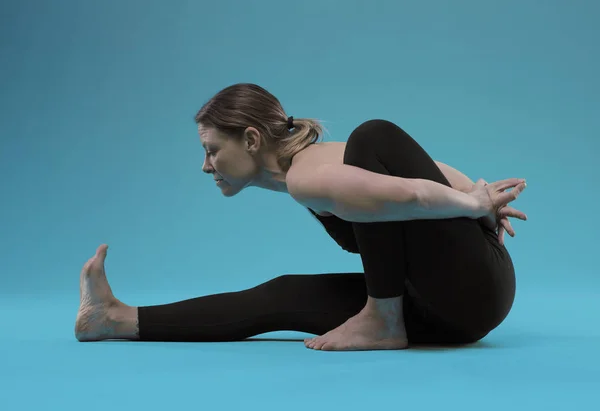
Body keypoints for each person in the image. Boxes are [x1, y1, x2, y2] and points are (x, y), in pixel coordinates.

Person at [74, 83, 528, 351]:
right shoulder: (310, 171)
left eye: (212, 151)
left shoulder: (308, 175)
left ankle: (383, 320)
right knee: (283, 294)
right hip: (447, 307)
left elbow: (411, 191)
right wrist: (473, 193)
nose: (205, 166)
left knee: (373, 135)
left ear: (251, 139)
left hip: (474, 292)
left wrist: (474, 203)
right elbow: (426, 179)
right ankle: (114, 318)